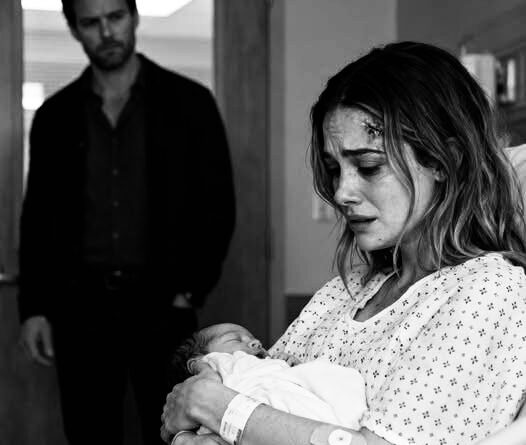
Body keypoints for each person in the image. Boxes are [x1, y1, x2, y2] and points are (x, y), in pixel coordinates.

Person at [161, 41, 526, 445]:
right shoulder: (347, 290)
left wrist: (215, 407)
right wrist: (191, 433)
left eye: (368, 166)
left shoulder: (487, 291)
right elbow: (257, 390)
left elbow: (235, 410)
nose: (341, 192)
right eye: (334, 169)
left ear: (444, 161)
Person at [17, 0, 235, 444]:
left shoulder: (190, 103)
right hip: (80, 308)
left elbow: (217, 205)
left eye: (115, 17)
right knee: (88, 432)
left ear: (134, 17)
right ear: (74, 29)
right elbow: (38, 216)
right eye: (91, 23)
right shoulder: (55, 116)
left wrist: (190, 288)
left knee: (174, 432)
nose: (106, 32)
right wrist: (34, 307)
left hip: (163, 303)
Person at [161, 323, 367, 442]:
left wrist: (290, 365)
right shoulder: (216, 363)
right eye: (235, 340)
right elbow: (205, 388)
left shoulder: (267, 364)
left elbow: (295, 380)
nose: (255, 342)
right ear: (196, 362)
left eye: (252, 338)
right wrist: (204, 371)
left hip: (301, 420)